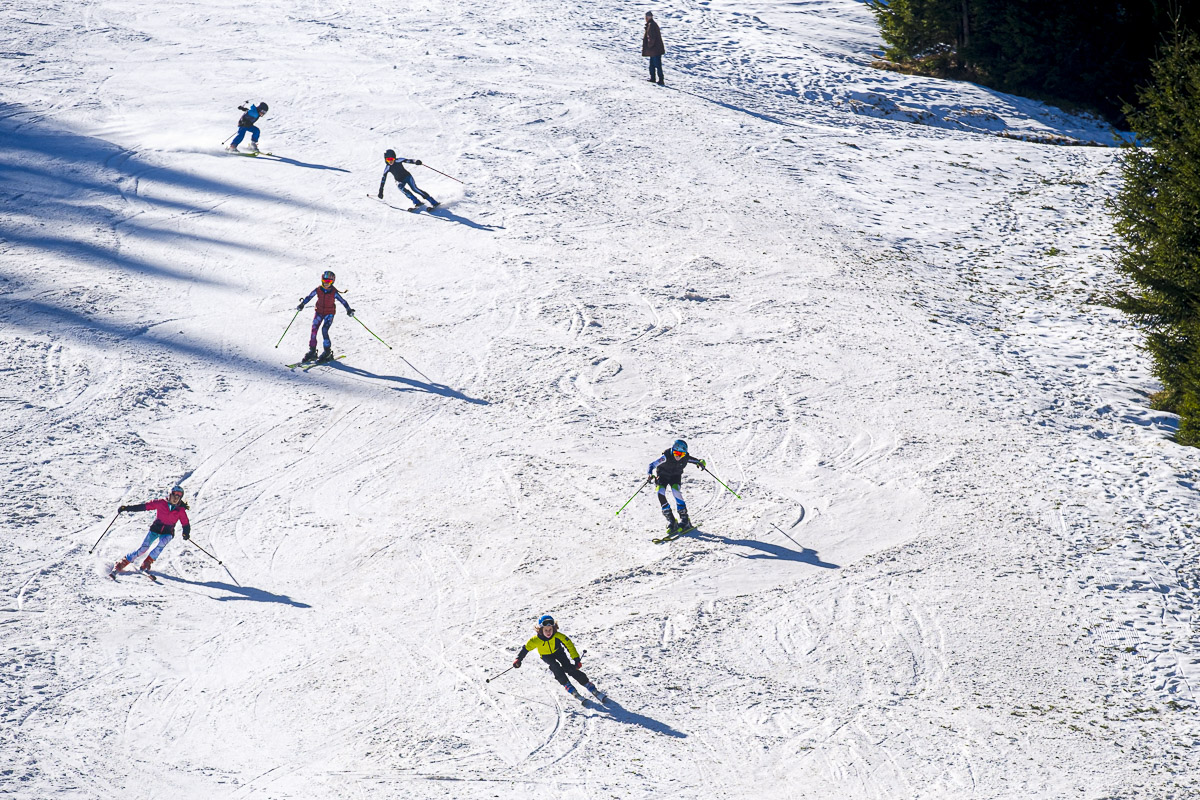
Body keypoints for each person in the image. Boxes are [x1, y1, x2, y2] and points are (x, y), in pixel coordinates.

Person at [512, 615, 607, 704]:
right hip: (546, 656)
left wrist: (576, 659)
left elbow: (569, 645)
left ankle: (589, 685)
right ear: (541, 630)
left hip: (558, 652)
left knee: (569, 668)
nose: (549, 632)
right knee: (555, 667)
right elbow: (526, 649)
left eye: (550, 629)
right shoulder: (535, 640)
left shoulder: (558, 636)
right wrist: (518, 659)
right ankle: (569, 687)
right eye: (546, 630)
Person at [110, 485, 191, 577]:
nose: (176, 498)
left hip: (168, 532)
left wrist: (186, 532)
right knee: (143, 549)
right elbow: (144, 507)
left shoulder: (180, 510)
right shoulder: (161, 503)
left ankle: (147, 562)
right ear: (169, 494)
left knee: (163, 543)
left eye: (179, 496)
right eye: (174, 495)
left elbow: (185, 523)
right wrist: (127, 508)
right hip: (155, 529)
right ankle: (123, 562)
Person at [647, 439, 706, 535]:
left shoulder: (685, 458)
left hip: (675, 477)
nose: (678, 456)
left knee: (676, 491)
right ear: (672, 451)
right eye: (676, 453)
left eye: (681, 454)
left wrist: (701, 462)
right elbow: (652, 465)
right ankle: (671, 520)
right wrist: (649, 474)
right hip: (662, 476)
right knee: (660, 492)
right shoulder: (665, 457)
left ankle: (684, 518)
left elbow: (696, 461)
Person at [297, 270, 354, 363]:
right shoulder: (318, 289)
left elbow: (343, 301)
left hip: (329, 313)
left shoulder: (333, 292)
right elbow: (309, 297)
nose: (326, 283)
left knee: (324, 330)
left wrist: (349, 309)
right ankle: (312, 351)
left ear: (332, 282)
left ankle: (327, 352)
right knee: (314, 329)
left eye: (329, 282)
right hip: (319, 312)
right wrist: (302, 304)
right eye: (324, 281)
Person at [642, 11, 665, 85]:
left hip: (654, 49)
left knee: (656, 64)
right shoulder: (652, 24)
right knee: (653, 64)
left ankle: (660, 79)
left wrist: (649, 46)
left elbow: (651, 37)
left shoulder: (651, 25)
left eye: (646, 17)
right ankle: (653, 78)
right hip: (655, 49)